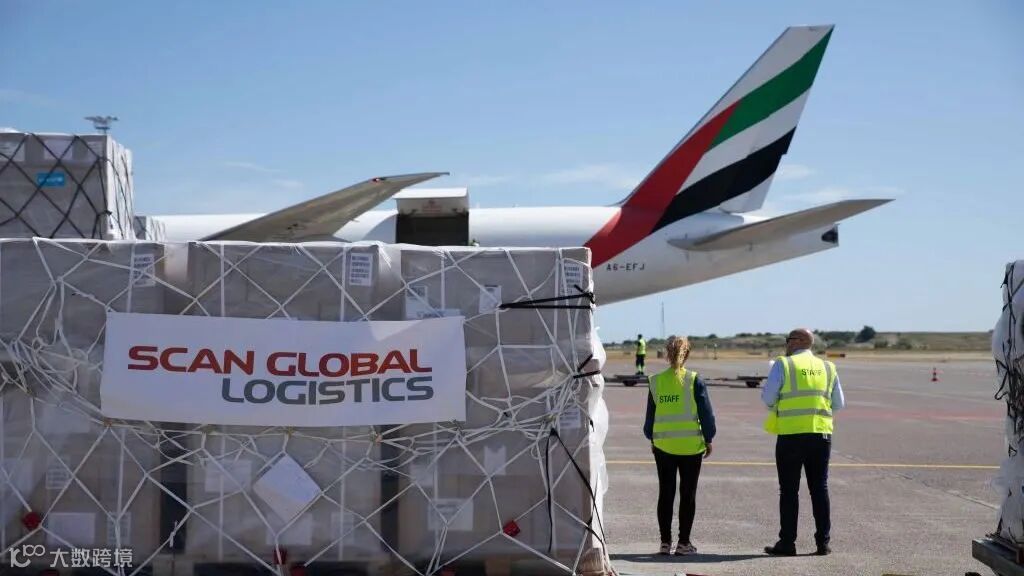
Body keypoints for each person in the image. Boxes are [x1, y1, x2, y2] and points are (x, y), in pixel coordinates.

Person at [762, 328, 845, 557]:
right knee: (819, 488)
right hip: (820, 434)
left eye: (788, 340)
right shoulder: (828, 367)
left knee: (789, 490)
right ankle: (823, 543)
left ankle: (787, 543)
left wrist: (780, 406)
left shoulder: (784, 364)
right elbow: (838, 403)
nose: (786, 344)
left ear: (797, 341)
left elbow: (768, 398)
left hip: (791, 435)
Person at [643, 335, 716, 556]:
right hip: (691, 447)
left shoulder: (655, 381)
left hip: (664, 447)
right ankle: (684, 543)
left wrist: (653, 439)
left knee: (665, 493)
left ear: (667, 354)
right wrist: (709, 438)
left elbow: (649, 420)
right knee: (688, 494)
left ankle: (665, 543)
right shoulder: (695, 380)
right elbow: (706, 415)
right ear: (688, 354)